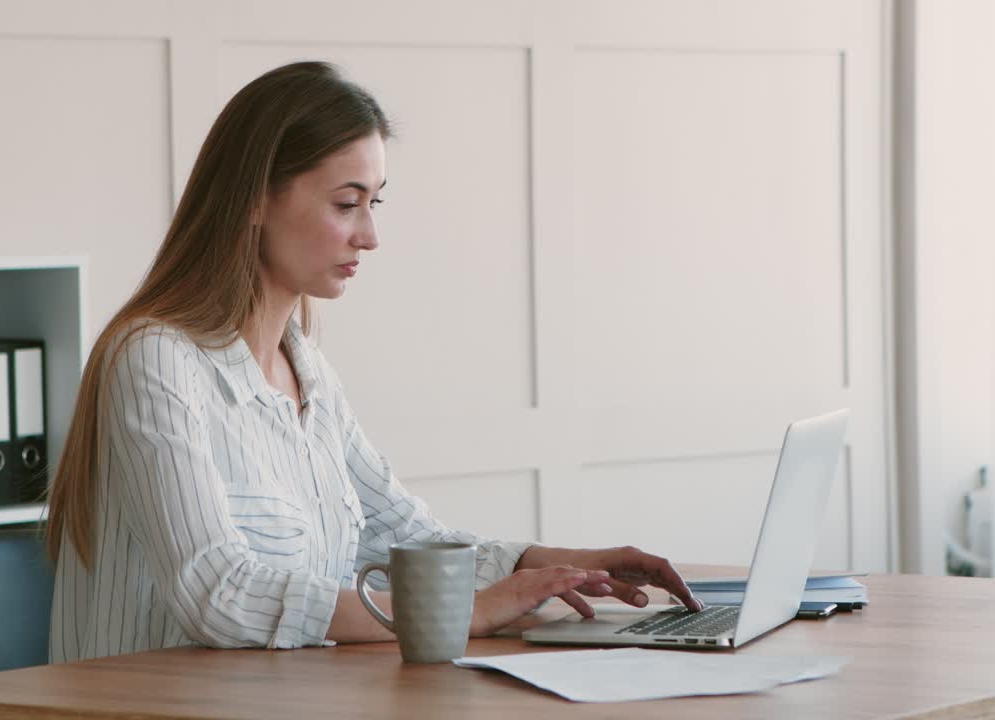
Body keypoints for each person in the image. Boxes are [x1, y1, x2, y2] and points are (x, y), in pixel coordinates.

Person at [44, 60, 702, 662]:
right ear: (253, 197)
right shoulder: (155, 360)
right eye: (346, 203)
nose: (370, 234)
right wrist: (466, 613)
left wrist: (560, 565)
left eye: (374, 202)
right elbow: (218, 591)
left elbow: (404, 539)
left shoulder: (305, 370)